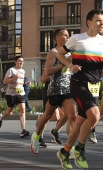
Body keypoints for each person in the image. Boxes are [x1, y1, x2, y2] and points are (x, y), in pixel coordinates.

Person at [56, 9, 103, 169]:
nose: (101, 23)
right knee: (95, 115)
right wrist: (70, 65)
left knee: (80, 122)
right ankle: (80, 150)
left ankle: (65, 151)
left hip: (95, 86)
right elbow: (60, 54)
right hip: (79, 83)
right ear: (89, 22)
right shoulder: (77, 39)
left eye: (102, 21)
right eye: (98, 20)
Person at [30, 28, 77, 155]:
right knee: (47, 116)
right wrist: (64, 64)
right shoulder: (54, 52)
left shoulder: (71, 52)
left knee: (72, 116)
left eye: (68, 36)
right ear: (57, 38)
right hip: (55, 90)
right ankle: (36, 135)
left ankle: (70, 147)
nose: (67, 38)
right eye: (65, 35)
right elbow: (48, 71)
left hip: (68, 89)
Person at [0, 55, 30, 138]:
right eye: (19, 61)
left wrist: (26, 83)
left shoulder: (23, 71)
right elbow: (5, 81)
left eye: (22, 61)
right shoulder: (11, 70)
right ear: (15, 62)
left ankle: (23, 130)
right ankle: (1, 118)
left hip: (20, 93)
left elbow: (20, 82)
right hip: (11, 94)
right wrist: (14, 77)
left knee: (22, 111)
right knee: (9, 112)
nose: (21, 62)